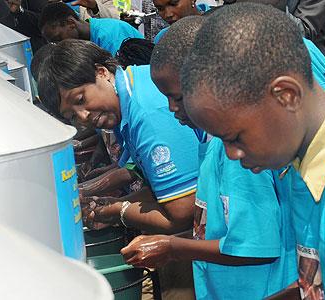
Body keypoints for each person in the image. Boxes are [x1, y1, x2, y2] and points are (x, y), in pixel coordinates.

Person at [181, 3, 325, 299]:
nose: (231, 155)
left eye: (237, 138)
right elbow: (321, 281)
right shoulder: (300, 161)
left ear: (286, 95)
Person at [122, 16, 299, 299]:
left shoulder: (237, 156)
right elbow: (215, 228)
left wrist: (172, 248)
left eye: (178, 97)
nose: (171, 108)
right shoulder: (210, 141)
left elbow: (253, 246)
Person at [37, 39, 199, 235]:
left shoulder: (145, 114)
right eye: (72, 116)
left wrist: (121, 211)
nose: (83, 117)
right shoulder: (129, 96)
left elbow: (182, 213)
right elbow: (160, 192)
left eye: (81, 99)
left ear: (102, 72)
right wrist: (116, 204)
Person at [39, 2, 143, 55]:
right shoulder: (87, 40)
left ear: (70, 23)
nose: (59, 45)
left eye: (58, 39)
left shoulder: (110, 36)